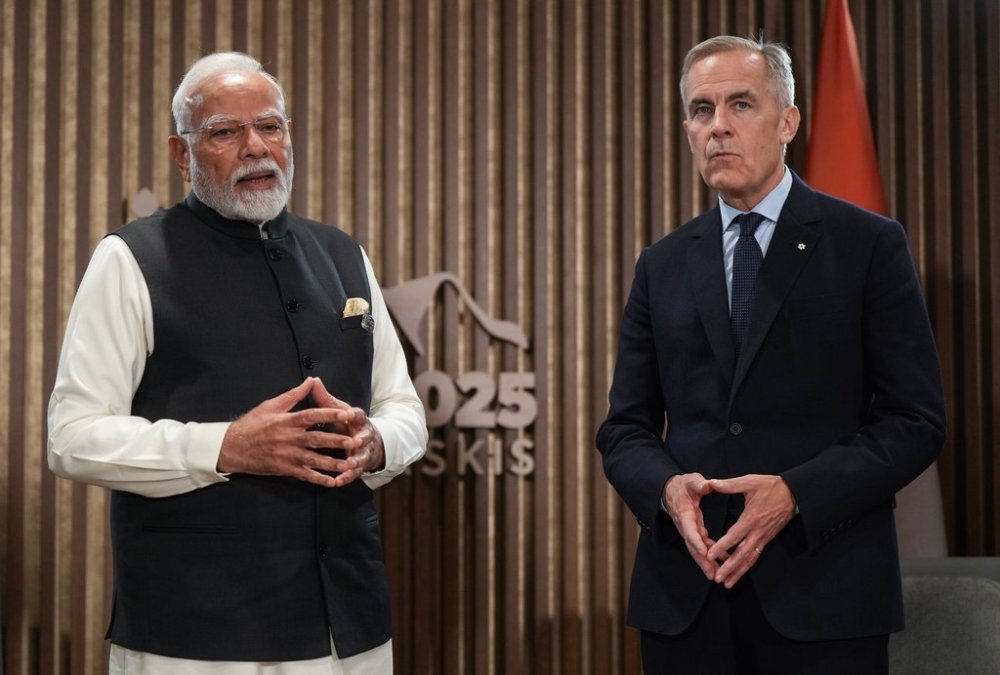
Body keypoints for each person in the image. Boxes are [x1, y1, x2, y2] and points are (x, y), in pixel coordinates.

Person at [47, 52, 427, 674]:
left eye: (271, 126)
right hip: (194, 637)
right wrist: (226, 446)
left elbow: (403, 408)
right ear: (181, 153)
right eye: (226, 131)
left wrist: (375, 443)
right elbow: (71, 437)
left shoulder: (343, 254)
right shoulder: (130, 258)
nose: (256, 147)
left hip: (350, 631)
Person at [596, 35, 945, 674]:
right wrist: (668, 489)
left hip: (826, 597)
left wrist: (795, 492)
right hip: (688, 602)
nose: (718, 127)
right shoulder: (663, 264)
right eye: (702, 111)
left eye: (740, 105)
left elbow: (915, 421)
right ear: (687, 129)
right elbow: (624, 430)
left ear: (788, 121)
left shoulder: (867, 245)